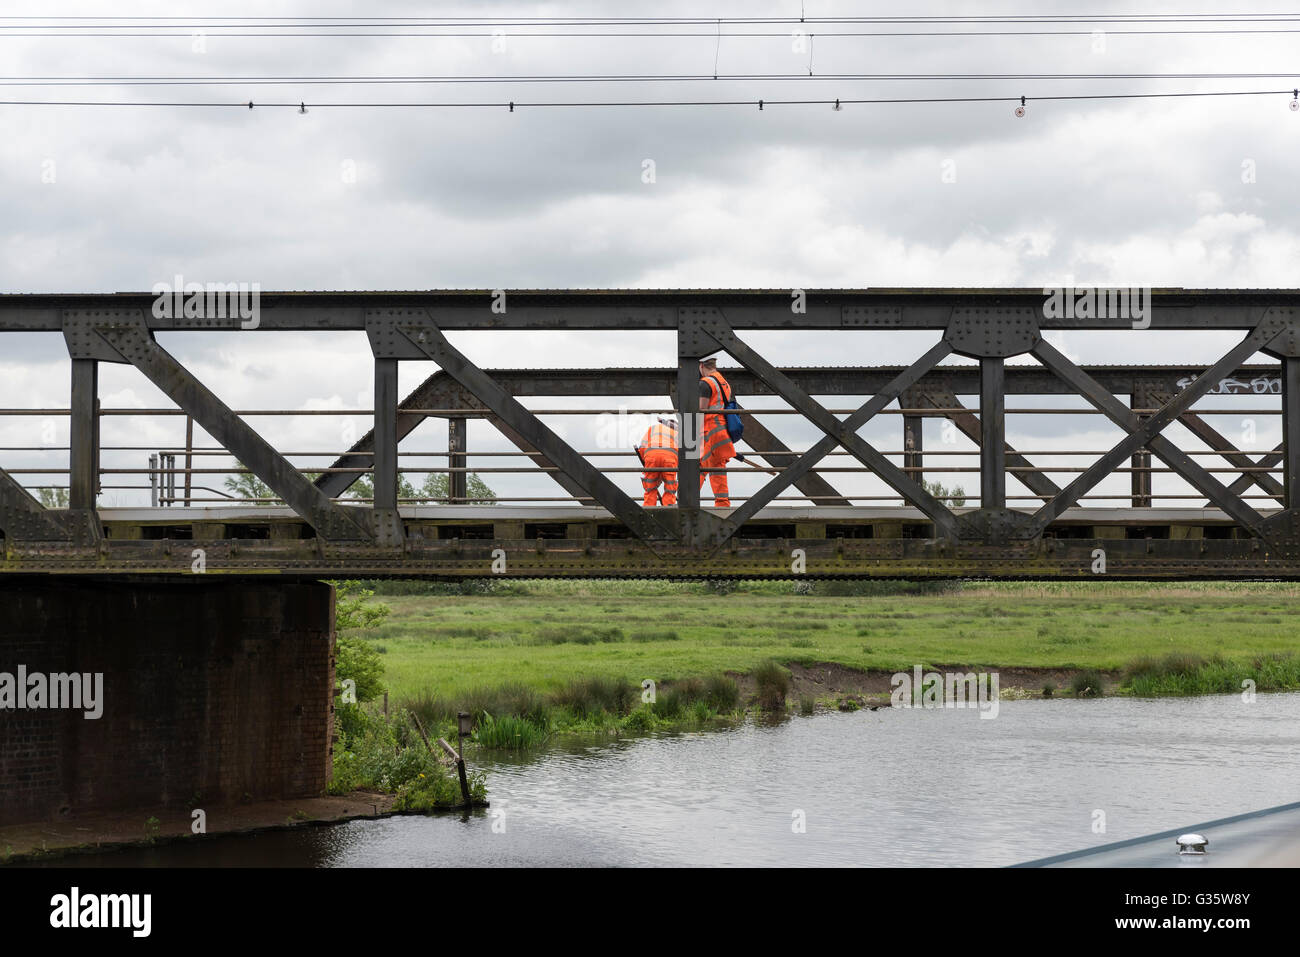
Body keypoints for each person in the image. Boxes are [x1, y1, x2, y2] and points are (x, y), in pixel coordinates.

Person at [698, 355, 736, 506]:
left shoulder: (705, 383)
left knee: (697, 464)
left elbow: (701, 410)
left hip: (710, 430)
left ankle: (685, 501)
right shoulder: (723, 382)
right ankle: (722, 503)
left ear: (701, 365)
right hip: (721, 430)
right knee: (716, 466)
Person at [636, 414, 679, 506]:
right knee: (669, 484)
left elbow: (642, 447)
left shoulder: (653, 428)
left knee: (650, 485)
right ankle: (669, 508)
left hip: (651, 455)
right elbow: (682, 454)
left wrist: (647, 462)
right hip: (669, 457)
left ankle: (649, 508)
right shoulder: (678, 433)